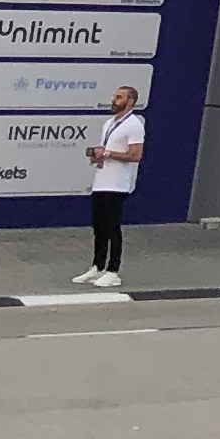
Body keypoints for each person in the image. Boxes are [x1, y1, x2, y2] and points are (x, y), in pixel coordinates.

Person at [78, 84, 145, 289]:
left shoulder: (134, 124)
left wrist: (107, 154)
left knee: (112, 227)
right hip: (101, 181)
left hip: (117, 184)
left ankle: (113, 271)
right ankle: (97, 266)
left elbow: (135, 155)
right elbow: (107, 149)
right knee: (98, 226)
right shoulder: (109, 123)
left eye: (118, 97)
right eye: (114, 96)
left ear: (130, 101)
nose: (113, 100)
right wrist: (99, 157)